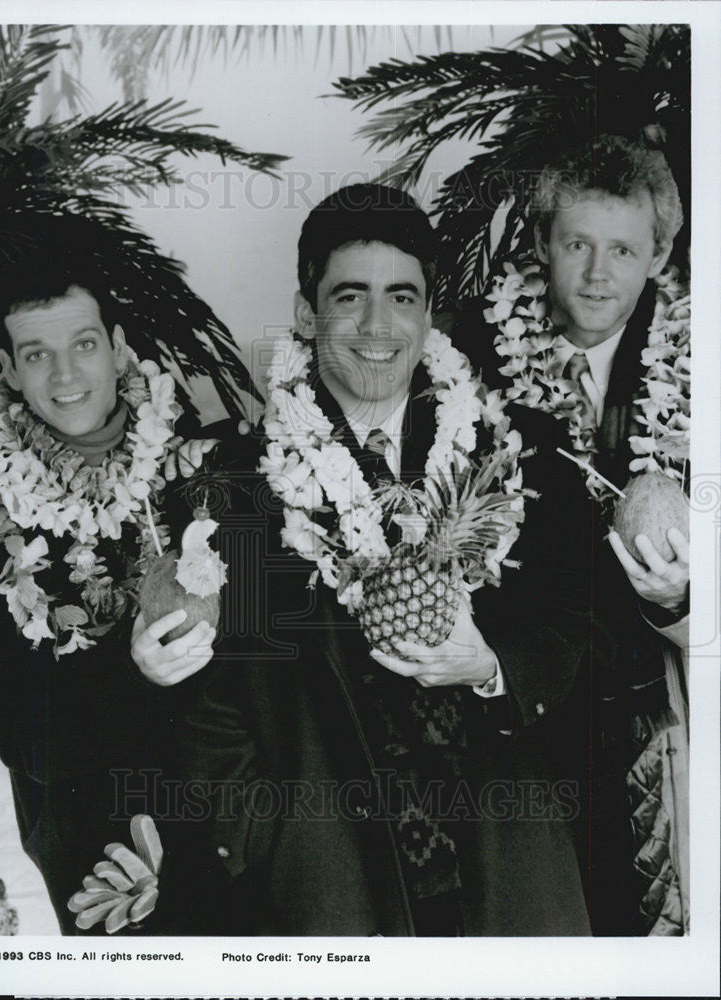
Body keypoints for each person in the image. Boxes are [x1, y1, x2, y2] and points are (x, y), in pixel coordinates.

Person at [162, 183, 613, 937]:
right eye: (350, 296)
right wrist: (272, 850)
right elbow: (206, 713)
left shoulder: (518, 454)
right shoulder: (234, 489)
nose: (378, 325)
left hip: (507, 889)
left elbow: (584, 628)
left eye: (402, 296)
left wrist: (493, 668)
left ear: (429, 312)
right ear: (307, 312)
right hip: (331, 895)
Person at [443, 135, 690, 934]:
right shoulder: (467, 361)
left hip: (667, 704)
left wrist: (682, 596)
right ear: (543, 245)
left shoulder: (703, 365)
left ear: (658, 258)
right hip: (529, 703)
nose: (595, 273)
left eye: (622, 249)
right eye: (576, 244)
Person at [0, 248, 216, 933]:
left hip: (231, 824)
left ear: (117, 349)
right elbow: (24, 732)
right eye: (36, 354)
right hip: (101, 852)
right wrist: (129, 667)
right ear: (9, 372)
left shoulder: (197, 468)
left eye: (84, 345)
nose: (64, 375)